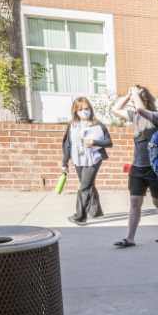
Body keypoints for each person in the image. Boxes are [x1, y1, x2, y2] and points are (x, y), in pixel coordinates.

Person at [110, 86, 158, 246]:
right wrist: (128, 95)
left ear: (145, 99)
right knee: (135, 202)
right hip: (137, 167)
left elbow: (141, 109)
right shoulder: (134, 115)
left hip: (154, 168)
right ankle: (130, 238)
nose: (135, 102)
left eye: (137, 97)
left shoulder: (157, 116)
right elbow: (115, 109)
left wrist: (135, 94)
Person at [62, 97, 112, 226]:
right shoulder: (72, 125)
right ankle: (95, 211)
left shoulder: (98, 124)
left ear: (90, 109)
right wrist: (64, 163)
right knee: (88, 184)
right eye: (80, 109)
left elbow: (109, 143)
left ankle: (80, 217)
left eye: (86, 108)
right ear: (75, 111)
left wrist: (94, 142)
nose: (84, 111)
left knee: (84, 187)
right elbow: (67, 144)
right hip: (78, 160)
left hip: (94, 159)